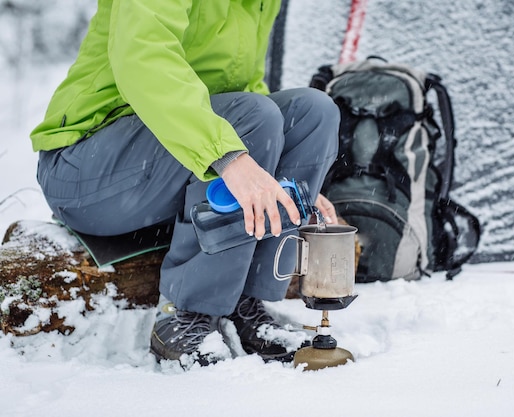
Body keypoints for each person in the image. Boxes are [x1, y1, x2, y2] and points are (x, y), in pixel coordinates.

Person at [30, 1, 340, 366]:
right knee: (254, 117)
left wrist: (279, 171)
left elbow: (242, 90)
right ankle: (184, 313)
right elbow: (143, 60)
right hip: (87, 169)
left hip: (166, 160)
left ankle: (244, 298)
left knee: (313, 112)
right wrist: (230, 157)